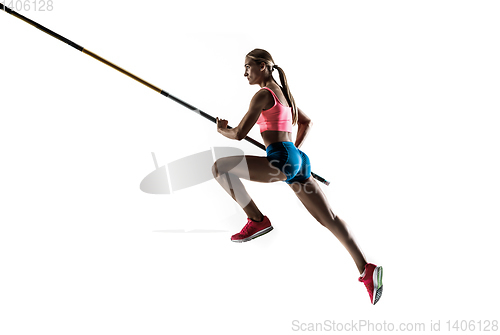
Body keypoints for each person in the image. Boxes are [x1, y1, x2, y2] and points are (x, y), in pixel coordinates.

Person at [212, 49, 383, 305]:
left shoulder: (261, 95)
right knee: (331, 219)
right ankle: (366, 269)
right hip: (298, 161)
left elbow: (238, 134)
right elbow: (307, 123)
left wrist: (222, 129)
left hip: (281, 159)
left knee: (219, 167)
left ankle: (257, 219)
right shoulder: (284, 95)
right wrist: (293, 152)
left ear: (263, 66)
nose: (244, 72)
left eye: (247, 66)